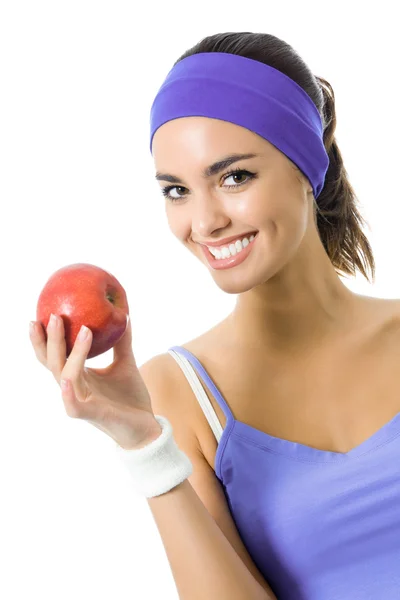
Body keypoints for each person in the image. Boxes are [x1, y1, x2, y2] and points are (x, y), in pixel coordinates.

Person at [29, 31, 400, 600]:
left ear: (307, 163)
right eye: (177, 191)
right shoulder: (180, 392)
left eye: (234, 177)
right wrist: (145, 447)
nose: (203, 223)